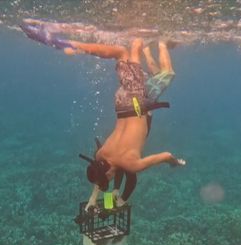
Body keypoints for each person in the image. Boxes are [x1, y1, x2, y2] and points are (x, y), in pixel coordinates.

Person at [20, 22, 185, 213]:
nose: (108, 180)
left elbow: (165, 155)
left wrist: (175, 162)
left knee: (124, 52)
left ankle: (64, 43)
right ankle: (149, 43)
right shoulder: (100, 156)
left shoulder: (130, 164)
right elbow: (102, 175)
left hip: (136, 102)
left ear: (107, 172)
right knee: (132, 58)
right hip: (123, 103)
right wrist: (94, 200)